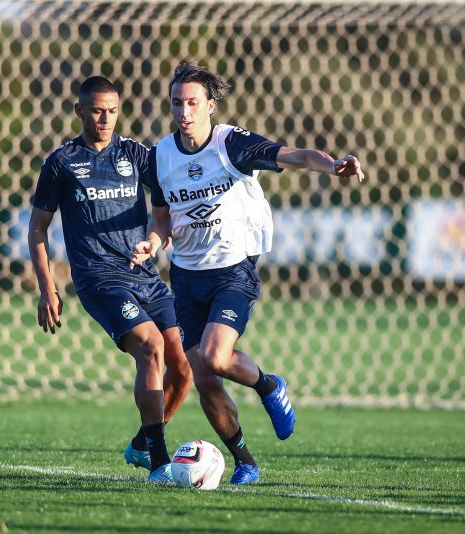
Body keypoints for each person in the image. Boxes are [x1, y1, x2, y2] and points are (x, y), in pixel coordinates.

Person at [130, 60, 365, 485]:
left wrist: (333, 166)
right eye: (177, 103)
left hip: (233, 268)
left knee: (218, 357)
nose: (184, 112)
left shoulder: (230, 144)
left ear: (210, 106)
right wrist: (152, 239)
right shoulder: (160, 157)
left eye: (193, 103)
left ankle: (269, 386)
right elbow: (161, 217)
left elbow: (294, 155)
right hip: (186, 276)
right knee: (203, 376)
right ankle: (246, 462)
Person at [28, 76, 192, 484]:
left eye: (113, 111)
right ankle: (159, 463)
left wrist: (153, 241)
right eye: (97, 110)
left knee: (185, 368)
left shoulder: (137, 155)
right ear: (79, 110)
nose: (105, 119)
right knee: (151, 349)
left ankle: (142, 442)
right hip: (99, 279)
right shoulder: (61, 162)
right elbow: (37, 230)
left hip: (144, 275)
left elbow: (161, 214)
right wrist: (48, 287)